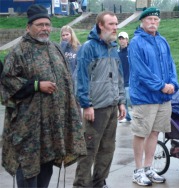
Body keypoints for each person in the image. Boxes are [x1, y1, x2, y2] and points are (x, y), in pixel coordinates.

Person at [0, 4, 87, 188]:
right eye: (39, 24)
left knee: (46, 168)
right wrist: (37, 86)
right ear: (28, 27)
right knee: (28, 170)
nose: (45, 28)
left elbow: (66, 83)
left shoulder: (55, 49)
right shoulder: (19, 52)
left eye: (47, 24)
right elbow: (7, 83)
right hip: (28, 130)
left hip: (51, 128)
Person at [73, 11, 126, 188]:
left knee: (107, 149)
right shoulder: (88, 48)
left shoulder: (113, 47)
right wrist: (86, 105)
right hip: (95, 109)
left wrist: (121, 101)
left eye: (116, 24)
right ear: (100, 26)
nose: (115, 28)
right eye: (111, 24)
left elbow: (119, 77)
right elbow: (81, 78)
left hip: (112, 106)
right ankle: (81, 184)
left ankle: (99, 183)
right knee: (88, 150)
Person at [128, 7, 179, 186]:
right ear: (142, 21)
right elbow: (141, 71)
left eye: (155, 20)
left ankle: (149, 168)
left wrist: (173, 83)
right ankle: (138, 170)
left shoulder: (163, 41)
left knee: (154, 133)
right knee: (141, 133)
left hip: (163, 98)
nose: (153, 22)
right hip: (145, 97)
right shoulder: (136, 42)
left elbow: (171, 64)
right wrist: (161, 86)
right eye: (149, 19)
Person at [60, 25, 81, 91]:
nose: (65, 37)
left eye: (67, 34)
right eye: (63, 35)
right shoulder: (60, 47)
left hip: (74, 80)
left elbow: (79, 66)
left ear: (71, 35)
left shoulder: (79, 48)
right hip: (63, 80)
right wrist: (62, 47)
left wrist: (73, 79)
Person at [118, 31, 132, 123]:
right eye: (120, 39)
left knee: (128, 98)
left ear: (127, 40)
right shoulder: (117, 52)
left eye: (123, 39)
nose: (122, 41)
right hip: (121, 80)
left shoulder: (131, 51)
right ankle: (127, 116)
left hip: (130, 79)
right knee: (123, 99)